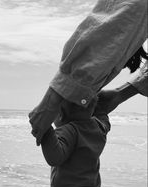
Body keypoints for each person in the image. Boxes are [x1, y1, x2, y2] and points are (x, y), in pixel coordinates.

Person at [29, 0, 147, 145]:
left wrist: (52, 104)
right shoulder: (99, 128)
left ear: (61, 114)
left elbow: (131, 7)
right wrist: (124, 92)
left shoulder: (71, 134)